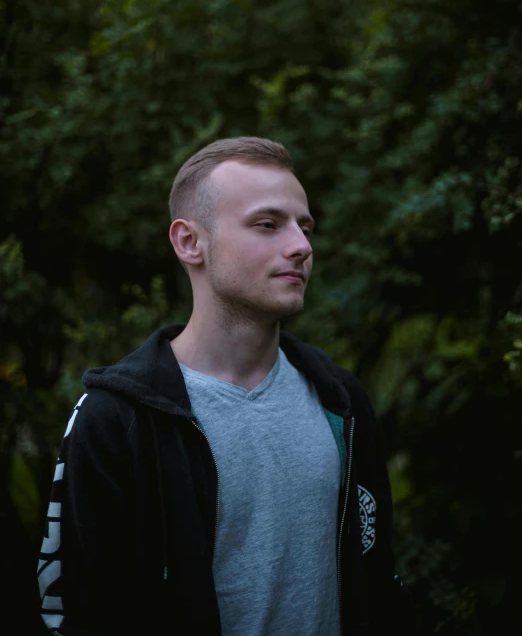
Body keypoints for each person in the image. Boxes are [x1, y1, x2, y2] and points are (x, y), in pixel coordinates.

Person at [38, 137, 411, 636]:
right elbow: (79, 608)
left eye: (304, 226)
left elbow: (377, 583)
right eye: (267, 224)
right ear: (190, 242)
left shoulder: (340, 400)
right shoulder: (116, 418)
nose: (301, 245)